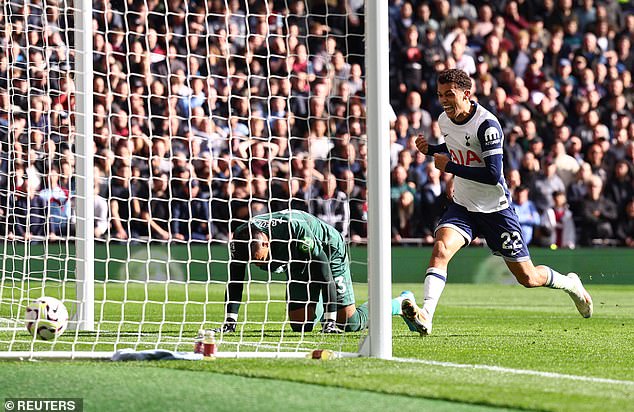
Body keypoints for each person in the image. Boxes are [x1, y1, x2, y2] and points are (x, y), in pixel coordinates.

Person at [401, 69, 593, 336]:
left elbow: (492, 174)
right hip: (464, 206)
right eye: (440, 95)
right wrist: (432, 150)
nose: (444, 100)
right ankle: (427, 315)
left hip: (495, 210)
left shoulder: (487, 125)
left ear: (466, 94)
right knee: (441, 248)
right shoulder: (444, 120)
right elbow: (456, 146)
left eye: (449, 95)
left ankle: (571, 284)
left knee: (528, 278)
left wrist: (451, 167)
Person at [215, 210, 370, 334]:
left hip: (328, 250)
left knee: (349, 323)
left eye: (260, 259)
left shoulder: (294, 229)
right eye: (253, 262)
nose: (258, 264)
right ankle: (322, 304)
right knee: (300, 326)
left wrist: (330, 322)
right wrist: (230, 322)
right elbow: (235, 281)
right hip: (297, 259)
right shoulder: (239, 240)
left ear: (265, 242)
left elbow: (325, 272)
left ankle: (390, 305)